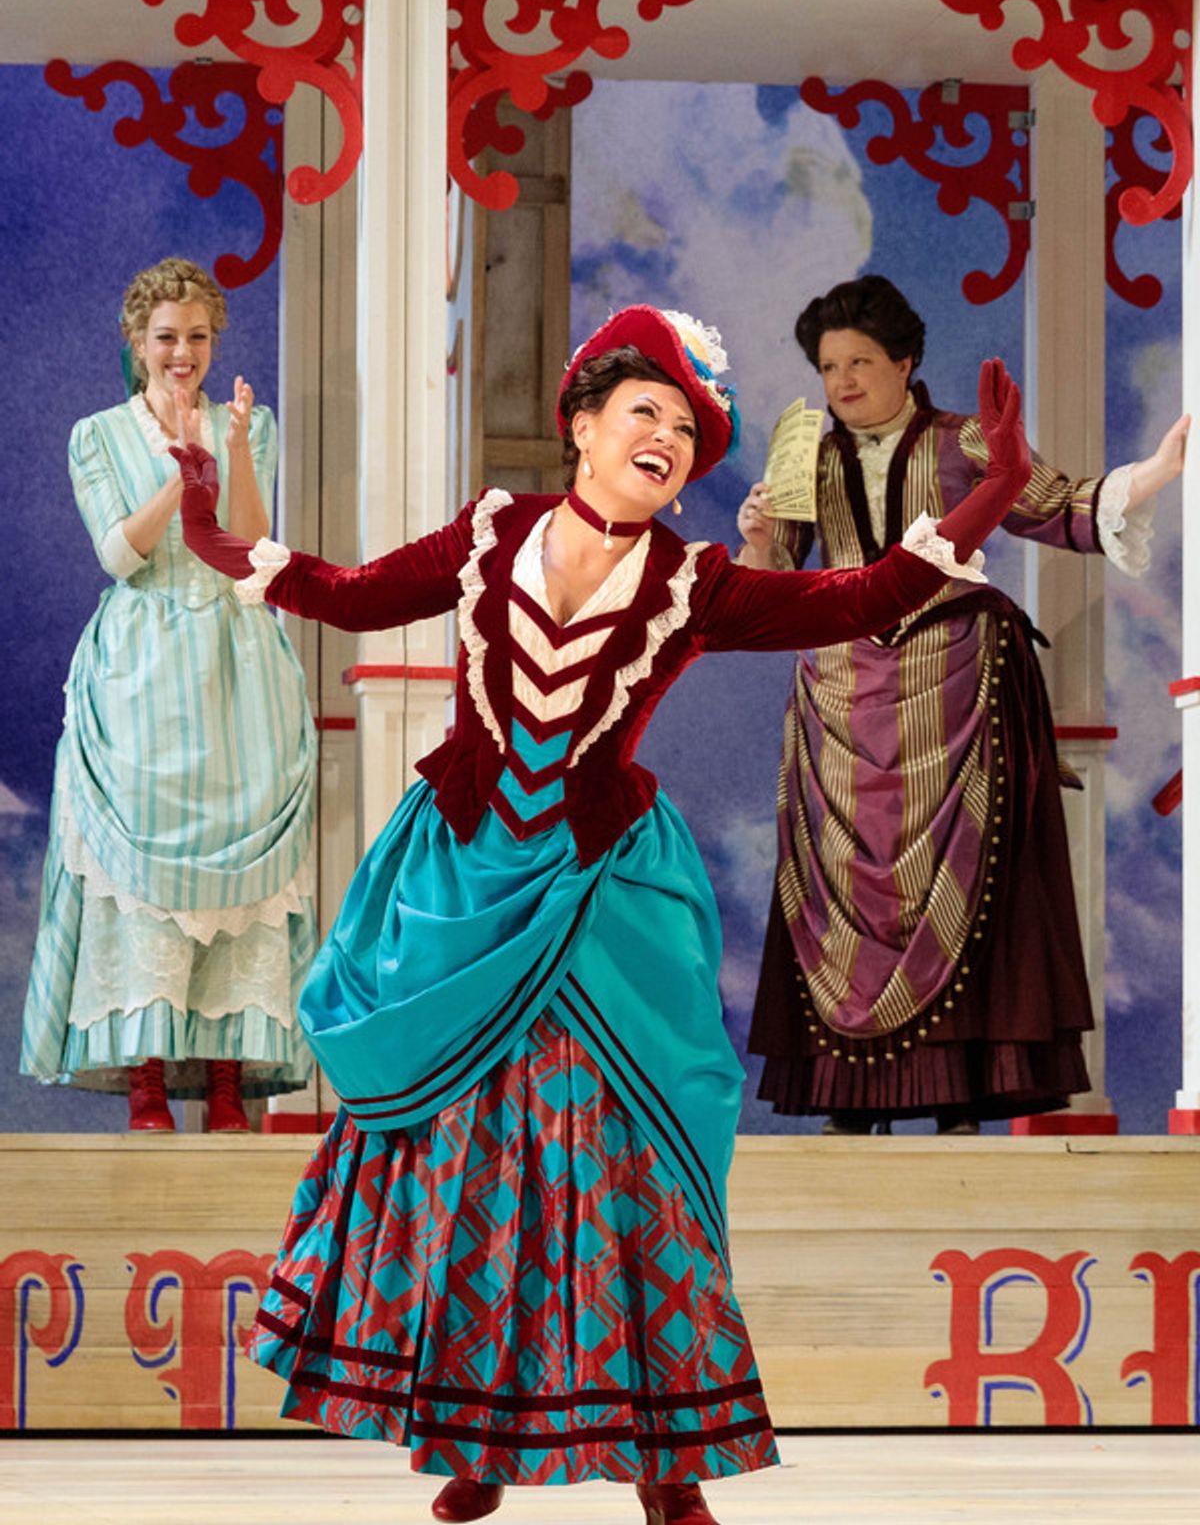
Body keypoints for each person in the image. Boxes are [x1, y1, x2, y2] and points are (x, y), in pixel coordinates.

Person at [172, 303, 1031, 1524]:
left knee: (629, 1163)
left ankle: (669, 1466)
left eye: (689, 429)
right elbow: (343, 592)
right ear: (582, 426)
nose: (671, 440)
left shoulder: (696, 581)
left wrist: (991, 490)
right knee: (467, 1162)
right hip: (465, 876)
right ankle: (474, 1436)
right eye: (649, 413)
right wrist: (211, 533)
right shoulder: (487, 538)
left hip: (603, 897)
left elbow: (861, 595)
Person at [739, 274, 1189, 1136]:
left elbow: (1059, 506)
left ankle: (961, 1095)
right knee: (843, 891)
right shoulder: (805, 460)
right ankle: (850, 1102)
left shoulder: (964, 441)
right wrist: (759, 539)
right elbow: (770, 590)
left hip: (956, 685)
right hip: (839, 699)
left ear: (905, 361)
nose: (843, 381)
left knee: (967, 875)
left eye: (861, 361)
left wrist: (1156, 474)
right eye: (830, 365)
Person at [21, 257, 317, 1133]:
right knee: (144, 872)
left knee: (240, 866)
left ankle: (226, 1080)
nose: (181, 353)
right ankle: (148, 1078)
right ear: (136, 342)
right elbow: (119, 556)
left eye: (196, 337)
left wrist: (225, 451)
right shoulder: (96, 435)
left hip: (235, 660)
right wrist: (176, 477)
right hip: (143, 663)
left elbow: (253, 543)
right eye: (165, 338)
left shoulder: (250, 423)